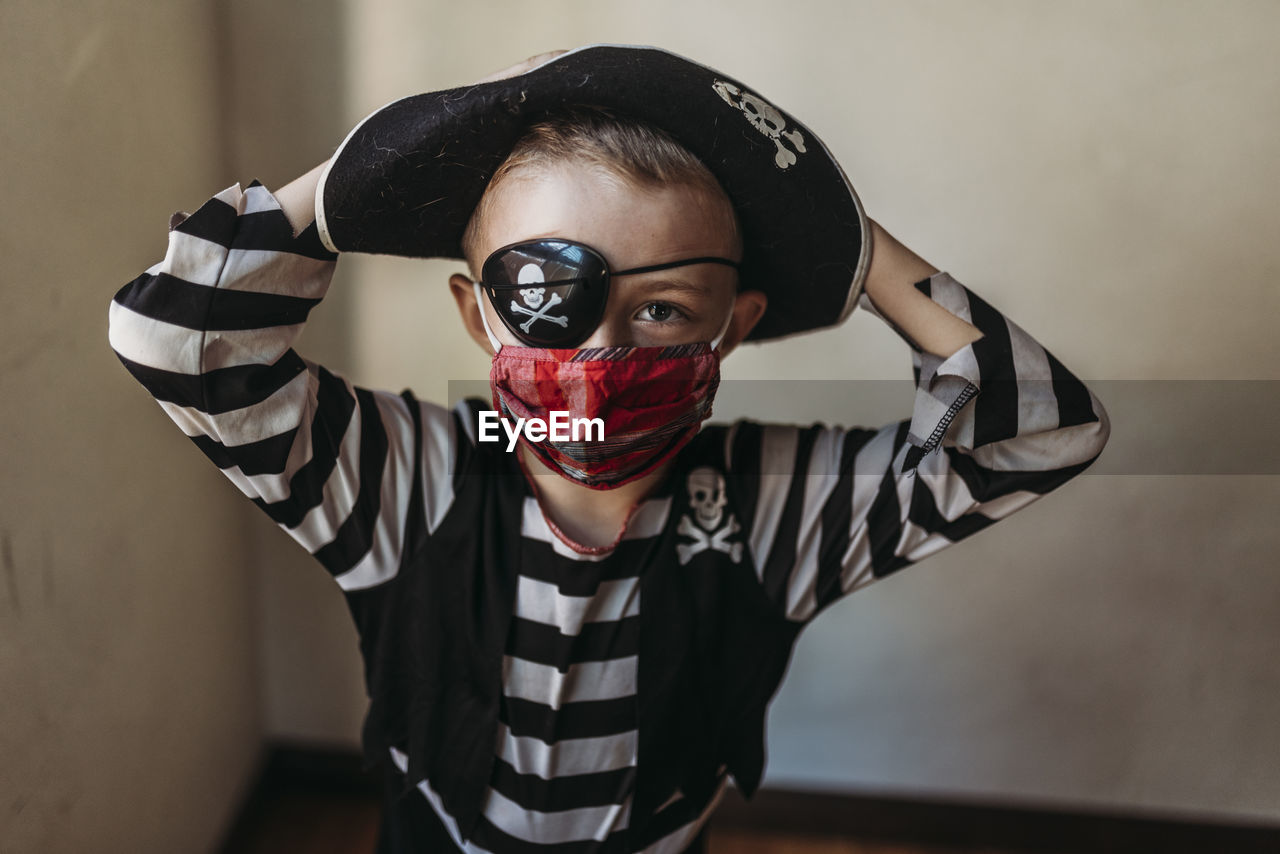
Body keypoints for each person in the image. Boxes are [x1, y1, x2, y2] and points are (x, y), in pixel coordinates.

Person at [108, 46, 1109, 854]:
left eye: (662, 308)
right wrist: (359, 179)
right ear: (478, 314)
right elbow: (173, 339)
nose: (598, 354)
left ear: (734, 321)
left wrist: (848, 247)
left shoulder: (776, 508)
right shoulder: (403, 480)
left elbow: (1039, 430)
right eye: (545, 300)